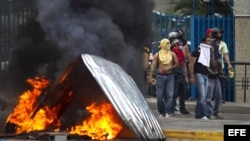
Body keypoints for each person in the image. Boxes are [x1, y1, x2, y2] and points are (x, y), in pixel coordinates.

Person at [205, 27, 234, 119]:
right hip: (210, 73)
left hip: (217, 72)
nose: (220, 35)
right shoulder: (210, 44)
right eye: (218, 33)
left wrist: (228, 65)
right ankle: (209, 113)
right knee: (208, 96)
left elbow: (225, 55)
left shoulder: (222, 44)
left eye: (220, 33)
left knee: (218, 96)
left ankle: (215, 113)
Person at [148, 38, 179, 118]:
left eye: (169, 43)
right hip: (160, 76)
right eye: (167, 43)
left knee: (169, 95)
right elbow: (153, 66)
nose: (168, 45)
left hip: (170, 76)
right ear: (163, 45)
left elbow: (177, 64)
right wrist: (150, 77)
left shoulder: (172, 54)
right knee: (159, 96)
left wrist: (170, 68)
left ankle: (167, 111)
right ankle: (161, 112)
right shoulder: (157, 54)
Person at [189, 35, 214, 120]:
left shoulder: (207, 52)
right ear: (203, 42)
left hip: (205, 74)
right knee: (202, 95)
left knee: (203, 96)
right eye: (208, 41)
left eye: (210, 41)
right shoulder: (197, 51)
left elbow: (212, 63)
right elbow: (191, 63)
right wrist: (191, 76)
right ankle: (204, 114)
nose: (209, 43)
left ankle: (198, 114)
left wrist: (212, 53)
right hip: (198, 74)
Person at [170, 38, 190, 115]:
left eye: (181, 44)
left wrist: (185, 76)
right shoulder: (172, 53)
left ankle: (182, 108)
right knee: (174, 93)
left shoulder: (181, 53)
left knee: (183, 93)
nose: (181, 46)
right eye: (179, 44)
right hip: (174, 75)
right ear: (175, 45)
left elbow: (184, 65)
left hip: (181, 75)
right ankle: (172, 108)